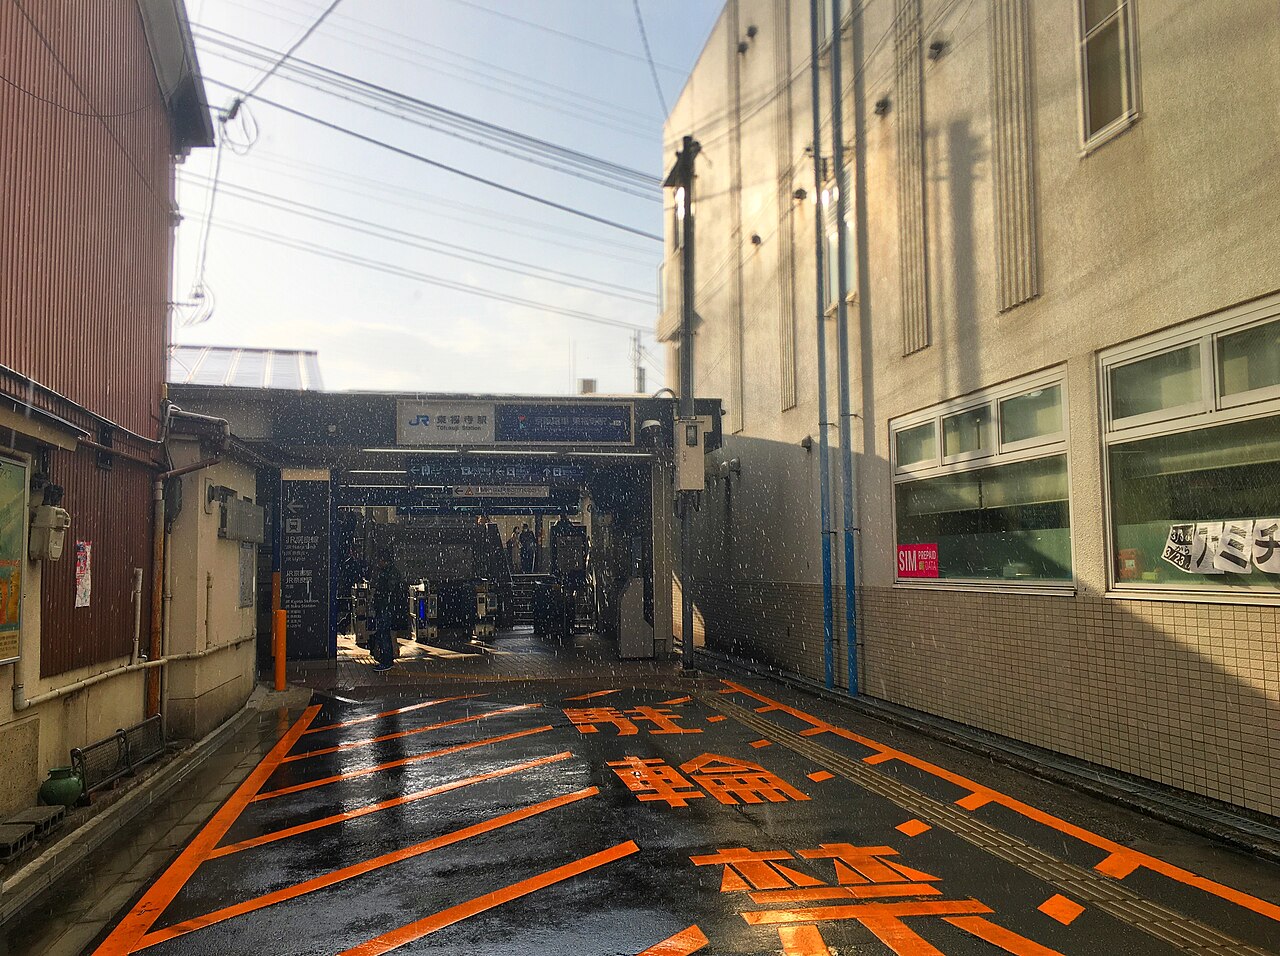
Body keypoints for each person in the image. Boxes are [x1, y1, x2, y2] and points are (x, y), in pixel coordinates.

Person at [370, 548, 406, 672]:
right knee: (383, 633)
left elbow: (389, 591)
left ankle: (386, 660)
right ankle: (385, 659)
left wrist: (381, 600)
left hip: (386, 607)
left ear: (384, 560)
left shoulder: (388, 573)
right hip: (385, 607)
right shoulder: (389, 572)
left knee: (384, 633)